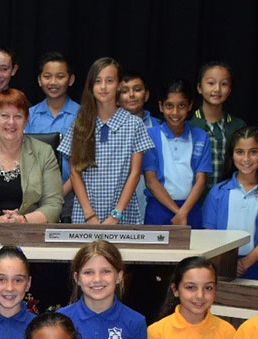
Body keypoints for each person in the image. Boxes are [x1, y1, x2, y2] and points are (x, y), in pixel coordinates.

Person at [59, 57, 154, 225]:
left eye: (109, 81)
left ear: (119, 85)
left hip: (123, 215)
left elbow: (134, 174)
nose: (103, 87)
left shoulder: (134, 124)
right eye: (98, 81)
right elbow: (75, 173)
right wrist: (89, 215)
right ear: (91, 86)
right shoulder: (80, 124)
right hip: (86, 216)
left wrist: (116, 214)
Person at [0, 88, 63, 223]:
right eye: (4, 116)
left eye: (18, 116)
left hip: (32, 232)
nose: (11, 122)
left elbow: (54, 204)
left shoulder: (44, 152)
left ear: (26, 120)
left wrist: (23, 220)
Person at [201, 126, 258, 280]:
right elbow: (208, 232)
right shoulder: (219, 192)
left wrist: (246, 262)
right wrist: (224, 262)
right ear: (232, 155)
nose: (246, 159)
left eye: (253, 152)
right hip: (220, 266)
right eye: (239, 152)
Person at [143, 79, 212, 227]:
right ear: (161, 106)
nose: (175, 112)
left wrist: (184, 212)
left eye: (181, 106)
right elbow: (151, 181)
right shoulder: (150, 135)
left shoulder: (200, 136)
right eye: (169, 106)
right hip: (159, 209)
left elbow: (201, 180)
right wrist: (178, 212)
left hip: (191, 208)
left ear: (190, 106)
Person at [25, 51, 79, 214]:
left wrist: (58, 195)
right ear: (39, 80)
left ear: (71, 80)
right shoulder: (29, 115)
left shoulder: (82, 115)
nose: (53, 82)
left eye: (60, 76)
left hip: (73, 194)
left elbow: (83, 164)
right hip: (34, 196)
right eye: (47, 76)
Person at [188, 61, 246, 192]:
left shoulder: (238, 126)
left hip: (227, 198)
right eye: (211, 83)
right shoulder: (188, 124)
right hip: (193, 201)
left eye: (224, 84)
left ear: (230, 89)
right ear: (199, 88)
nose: (217, 89)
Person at [117, 70, 158, 224]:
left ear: (146, 95)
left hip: (152, 194)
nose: (132, 95)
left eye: (137, 89)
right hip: (118, 193)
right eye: (125, 91)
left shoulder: (158, 127)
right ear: (116, 97)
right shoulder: (108, 126)